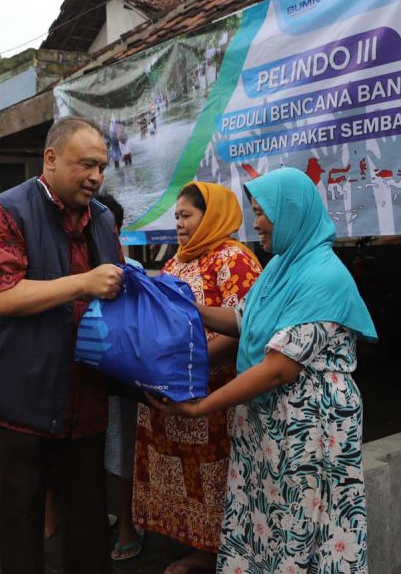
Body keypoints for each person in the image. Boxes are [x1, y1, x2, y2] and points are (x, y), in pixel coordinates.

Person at [150, 168, 377, 573]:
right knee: (266, 522)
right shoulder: (281, 267)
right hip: (268, 423)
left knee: (303, 527)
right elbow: (243, 319)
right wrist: (183, 304)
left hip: (309, 428)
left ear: (290, 212)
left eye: (262, 213)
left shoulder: (323, 275)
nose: (255, 224)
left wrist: (201, 407)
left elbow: (278, 369)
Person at [0, 115, 123, 573]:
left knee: (88, 520)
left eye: (101, 165)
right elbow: (1, 296)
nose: (95, 176)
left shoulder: (100, 218)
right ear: (51, 159)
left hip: (86, 394)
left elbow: (113, 289)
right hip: (26, 395)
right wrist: (82, 284)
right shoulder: (8, 211)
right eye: (85, 165)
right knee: (23, 520)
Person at [132, 182, 261, 574]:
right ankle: (196, 544)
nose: (179, 225)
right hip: (174, 385)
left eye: (186, 216)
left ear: (213, 215)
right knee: (186, 473)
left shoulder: (234, 259)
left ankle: (214, 552)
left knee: (215, 473)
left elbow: (245, 325)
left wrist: (191, 362)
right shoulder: (176, 261)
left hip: (214, 389)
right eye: (177, 217)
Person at [93, 192, 144, 561]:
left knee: (121, 452)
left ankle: (127, 525)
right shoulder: (71, 270)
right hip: (82, 381)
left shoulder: (135, 273)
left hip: (120, 383)